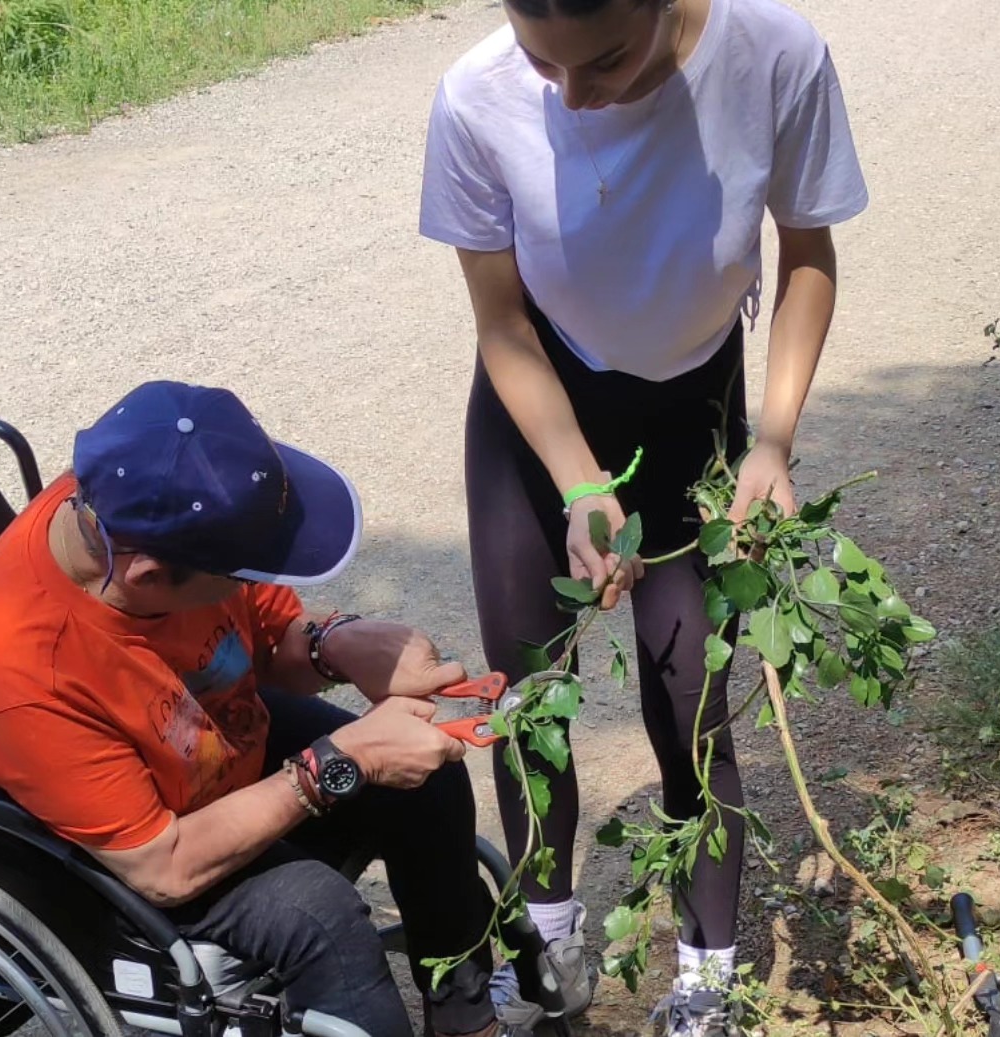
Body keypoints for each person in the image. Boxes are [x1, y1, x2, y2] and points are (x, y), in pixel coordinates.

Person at [417, 0, 868, 1032]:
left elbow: (807, 251)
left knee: (690, 700)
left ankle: (706, 979)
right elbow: (502, 324)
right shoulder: (478, 98)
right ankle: (548, 946)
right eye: (544, 64)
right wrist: (580, 483)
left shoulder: (774, 57)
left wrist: (772, 441)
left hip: (692, 411)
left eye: (607, 60)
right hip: (538, 419)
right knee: (532, 697)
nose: (573, 96)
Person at [0, 380, 502, 1037]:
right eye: (246, 572)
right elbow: (165, 867)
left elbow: (269, 639)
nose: (258, 580)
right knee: (319, 918)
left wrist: (336, 644)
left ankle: (464, 1020)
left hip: (198, 746)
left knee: (428, 776)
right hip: (115, 848)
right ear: (148, 577)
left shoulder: (137, 506)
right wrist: (342, 760)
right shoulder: (23, 676)